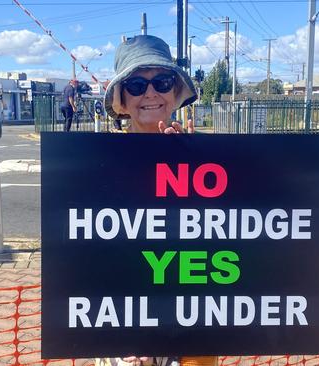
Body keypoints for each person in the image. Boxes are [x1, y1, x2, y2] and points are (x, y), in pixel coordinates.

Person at [100, 35, 212, 366]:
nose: (150, 92)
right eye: (136, 85)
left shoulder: (210, 158)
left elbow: (230, 231)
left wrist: (187, 167)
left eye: (161, 81)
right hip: (120, 316)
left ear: (176, 91)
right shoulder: (97, 161)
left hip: (191, 317)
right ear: (121, 99)